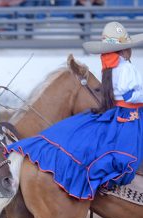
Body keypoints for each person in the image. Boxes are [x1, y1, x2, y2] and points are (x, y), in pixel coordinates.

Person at [8, 21, 143, 200]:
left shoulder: (112, 68)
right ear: (125, 50)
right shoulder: (125, 67)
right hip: (129, 113)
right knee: (130, 149)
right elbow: (128, 96)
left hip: (119, 111)